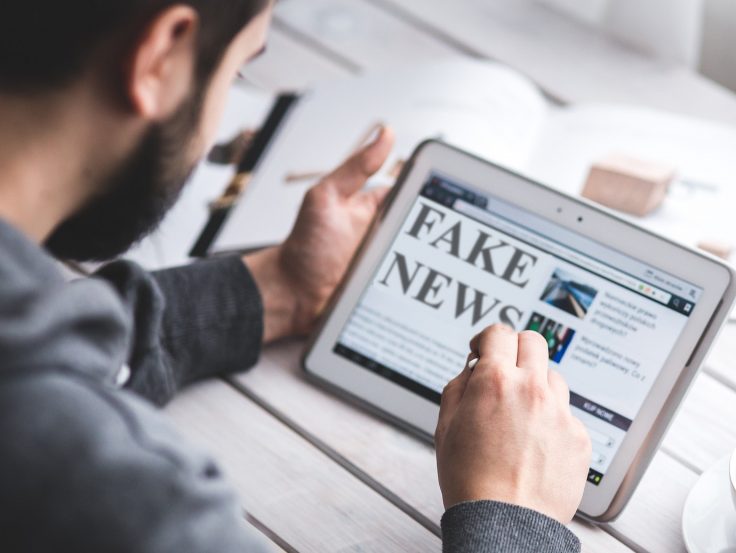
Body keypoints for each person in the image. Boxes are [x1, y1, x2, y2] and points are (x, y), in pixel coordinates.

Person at [0, 1, 592, 551]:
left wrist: (278, 288)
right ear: (160, 56)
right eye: (234, 75)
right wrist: (515, 519)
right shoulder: (130, 502)